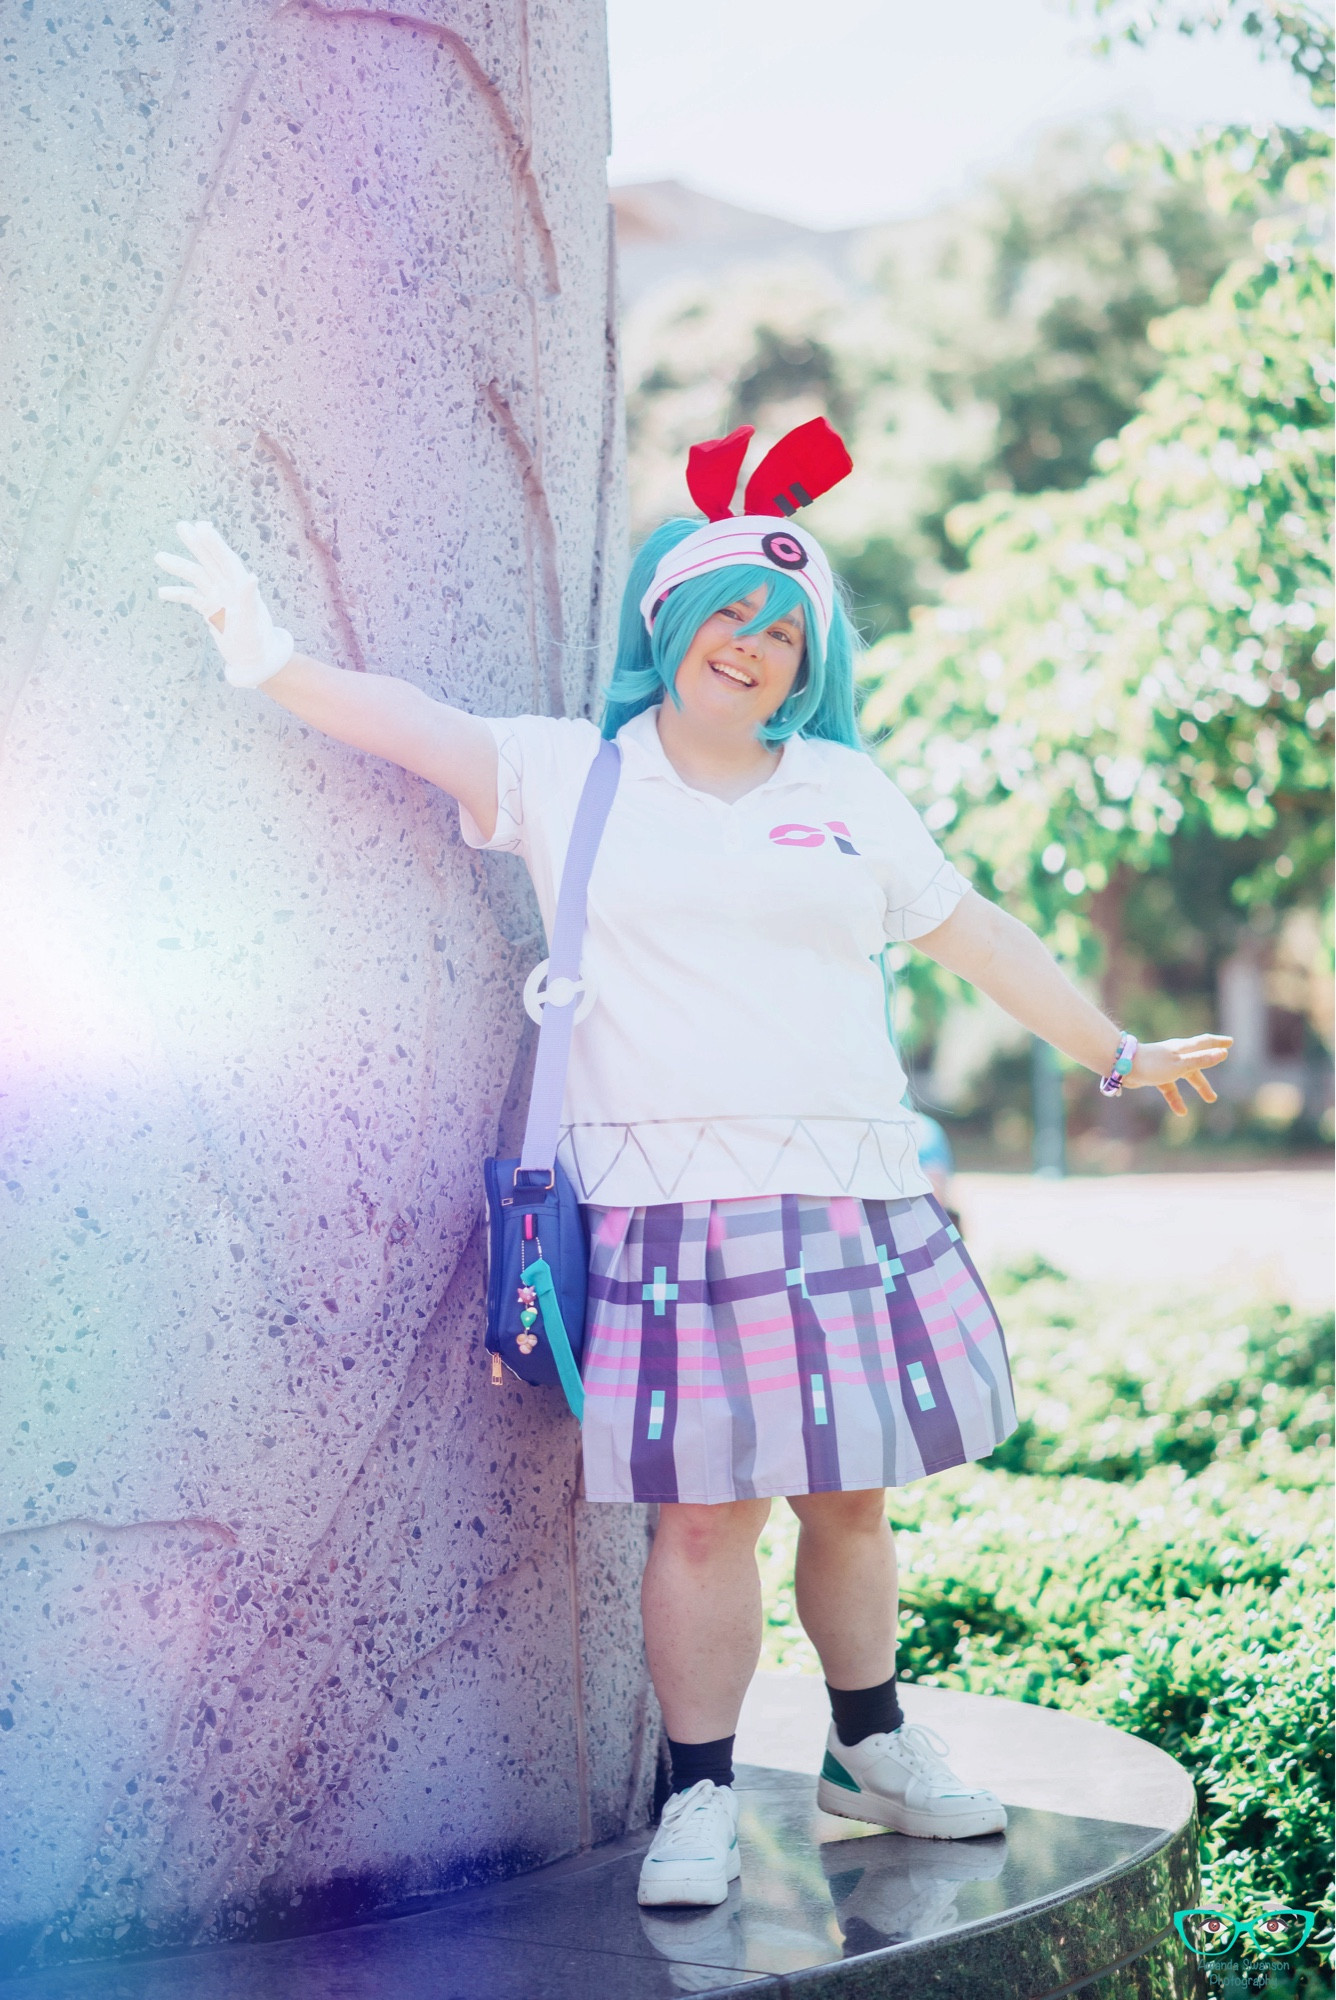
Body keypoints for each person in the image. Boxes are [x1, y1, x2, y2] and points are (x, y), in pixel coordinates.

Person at [155, 418, 1231, 1915]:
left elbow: (977, 933)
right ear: (669, 621)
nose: (756, 644)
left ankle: (871, 1750)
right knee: (705, 1517)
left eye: (787, 631)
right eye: (731, 611)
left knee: (854, 1499)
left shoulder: (846, 790)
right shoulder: (568, 776)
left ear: (812, 663)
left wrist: (1111, 1048)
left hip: (849, 1188)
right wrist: (269, 659)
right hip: (665, 1207)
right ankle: (702, 1795)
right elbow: (418, 724)